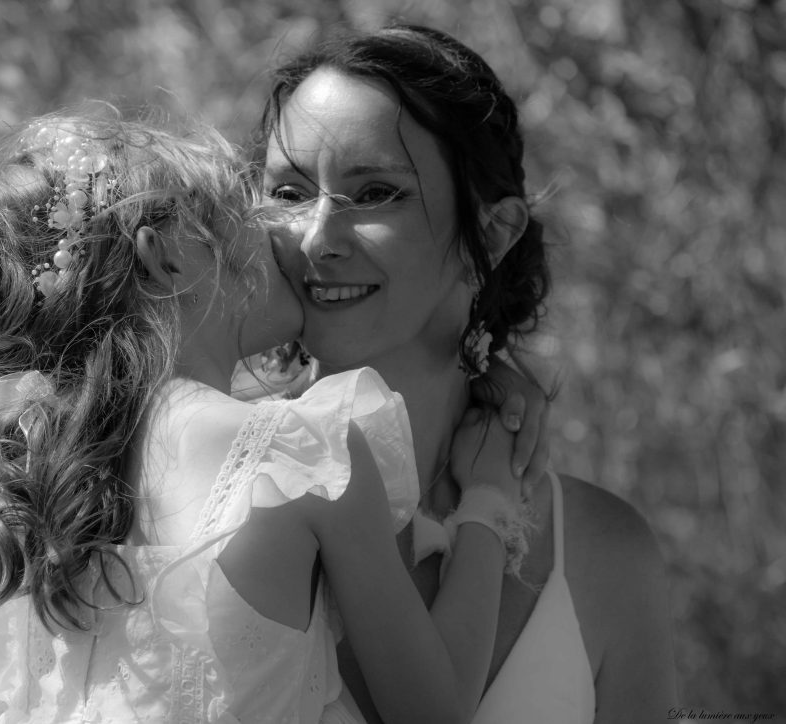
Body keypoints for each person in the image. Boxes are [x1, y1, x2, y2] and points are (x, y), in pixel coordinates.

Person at [0, 107, 544, 724]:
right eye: (236, 212)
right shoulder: (302, 453)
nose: (284, 235)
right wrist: (489, 500)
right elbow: (434, 711)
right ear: (165, 256)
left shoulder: (54, 501)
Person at [258, 23, 677, 724]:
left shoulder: (605, 555)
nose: (317, 239)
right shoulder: (209, 493)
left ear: (494, 231)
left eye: (375, 193)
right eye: (291, 193)